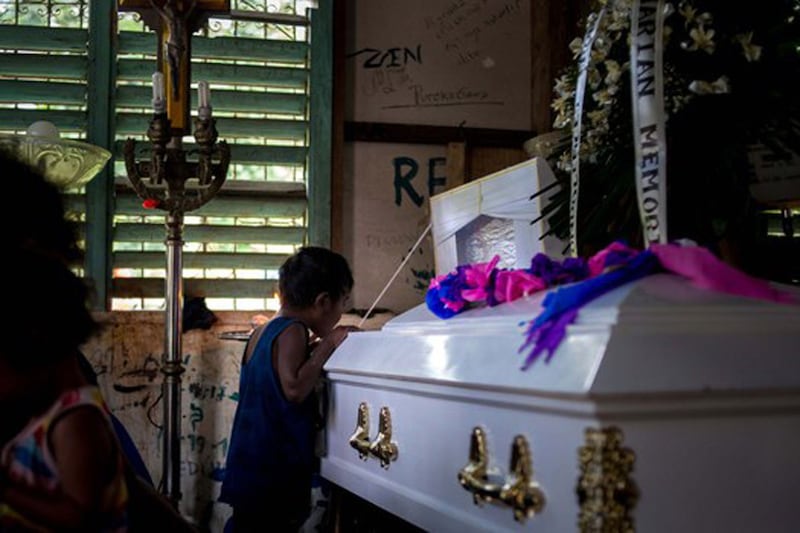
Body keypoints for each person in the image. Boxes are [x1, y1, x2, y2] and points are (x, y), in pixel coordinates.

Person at [220, 246, 355, 533]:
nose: (341, 314)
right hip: (272, 470)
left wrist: (315, 352)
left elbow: (279, 375)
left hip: (250, 462)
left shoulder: (265, 329)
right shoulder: (293, 329)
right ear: (323, 301)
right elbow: (293, 388)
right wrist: (329, 345)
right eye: (343, 303)